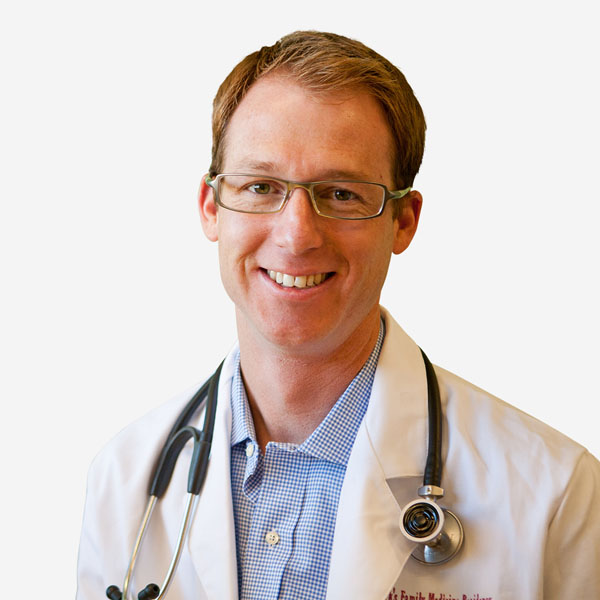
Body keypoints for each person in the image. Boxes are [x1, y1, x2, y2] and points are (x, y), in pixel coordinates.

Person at [77, 31, 600, 600]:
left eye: (342, 194)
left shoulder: (552, 492)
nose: (297, 235)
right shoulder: (125, 480)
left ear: (403, 221)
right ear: (211, 208)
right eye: (260, 186)